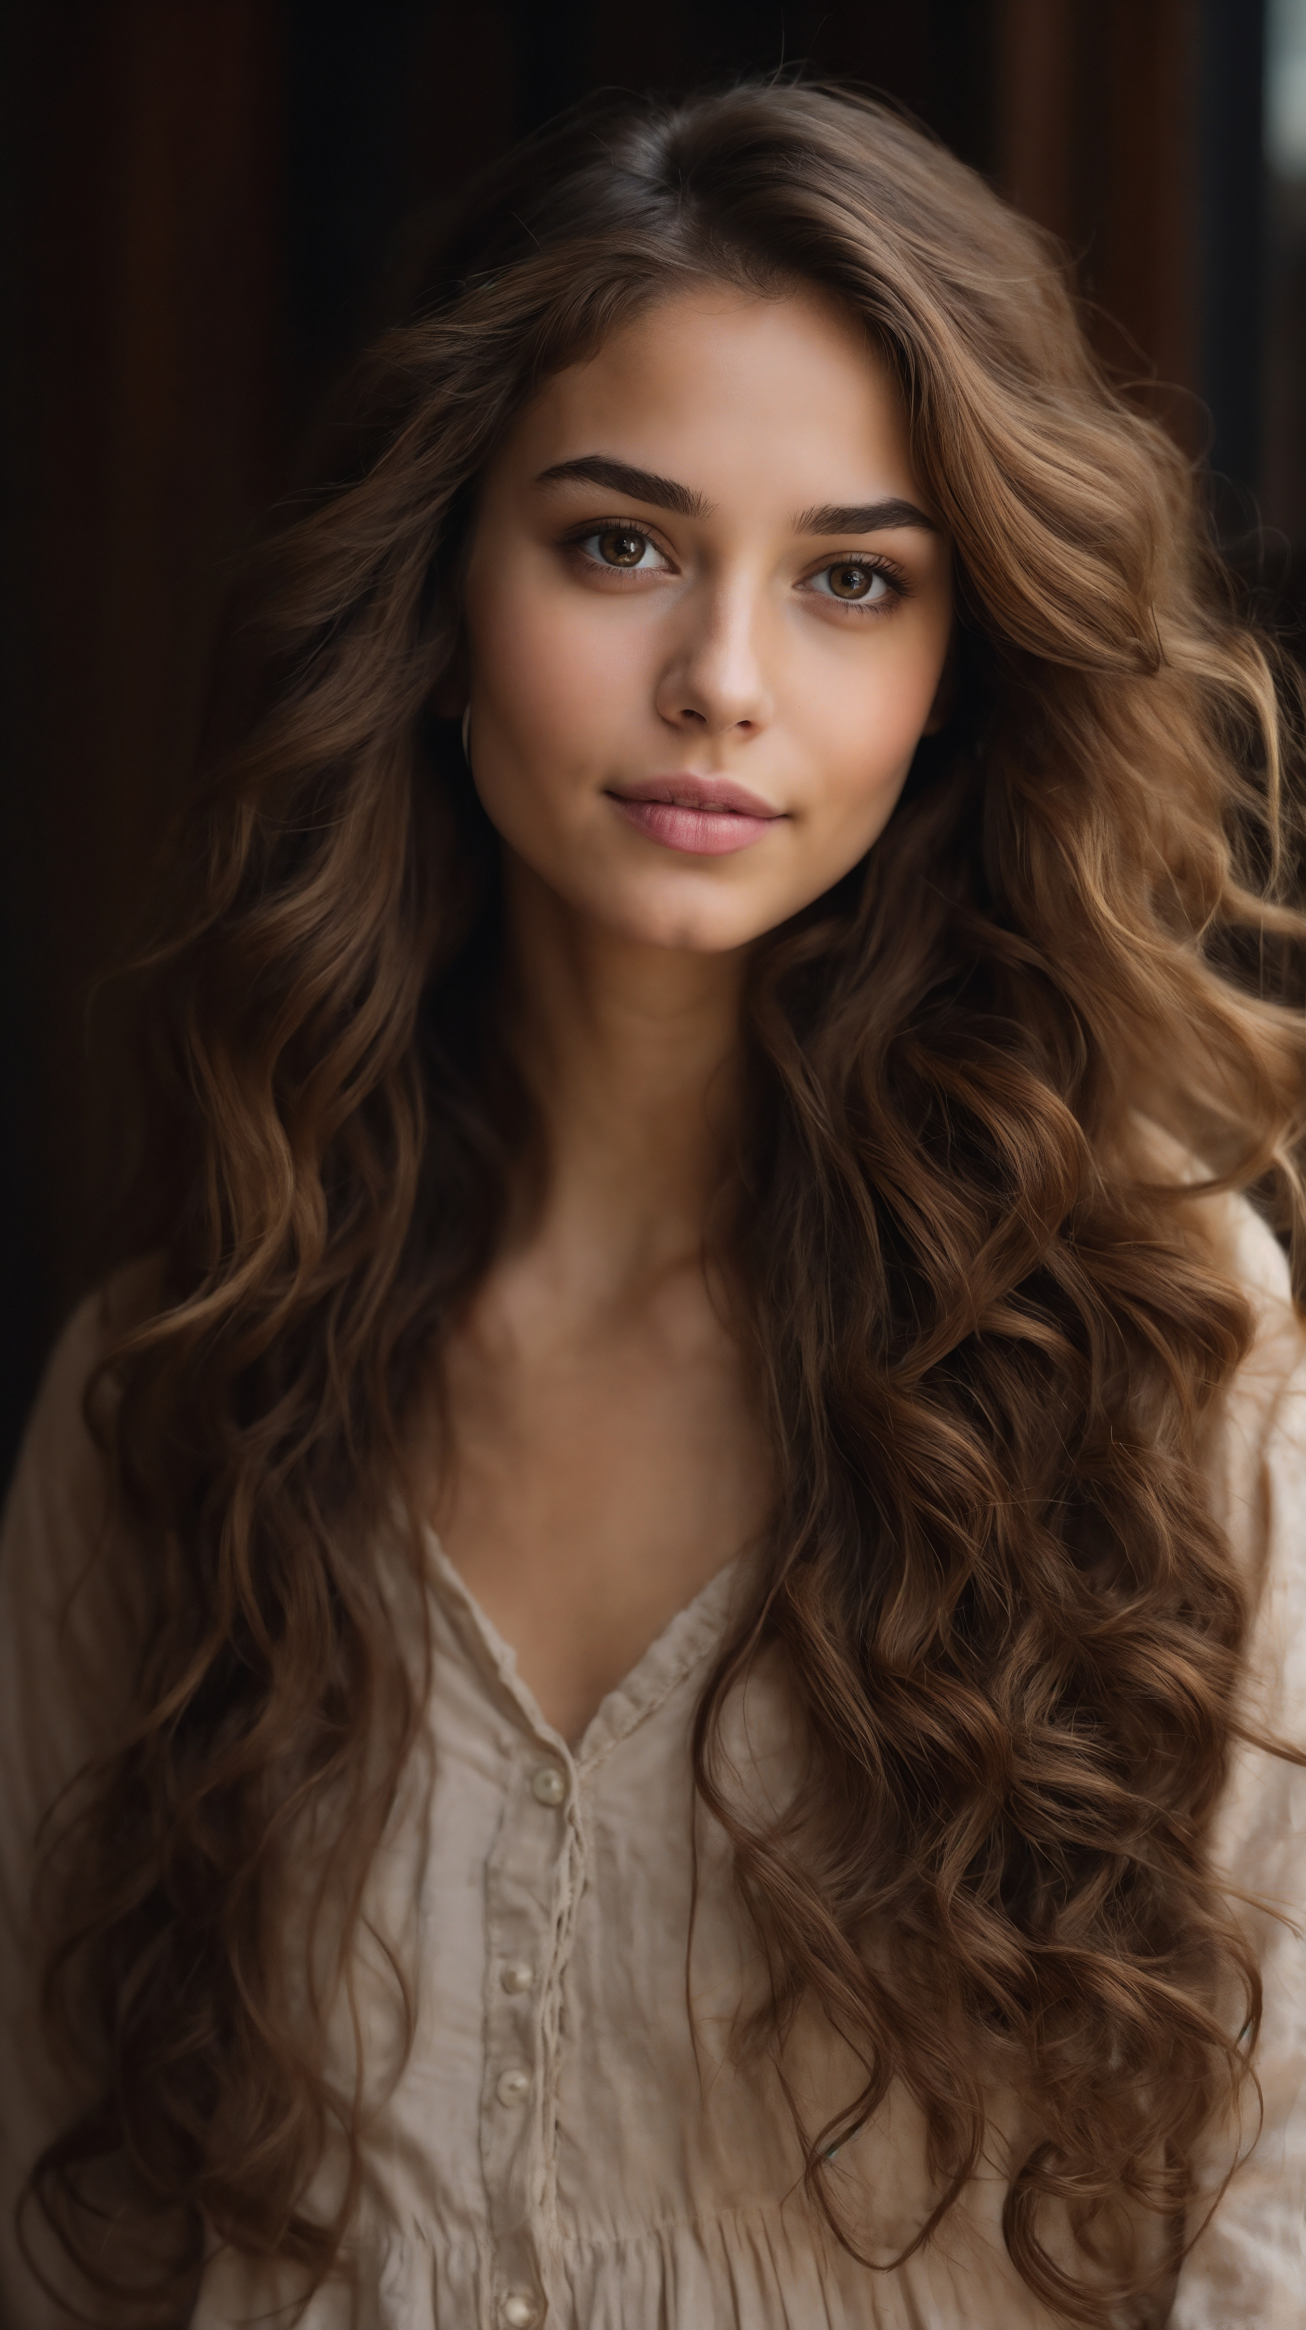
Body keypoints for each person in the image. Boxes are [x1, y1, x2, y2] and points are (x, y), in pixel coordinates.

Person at [2, 77, 1304, 2330]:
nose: (719, 675)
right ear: (441, 582)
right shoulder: (177, 1377)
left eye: (849, 581)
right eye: (617, 542)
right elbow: (72, 2212)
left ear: (953, 668)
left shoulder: (1158, 1345)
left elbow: (1269, 2219)